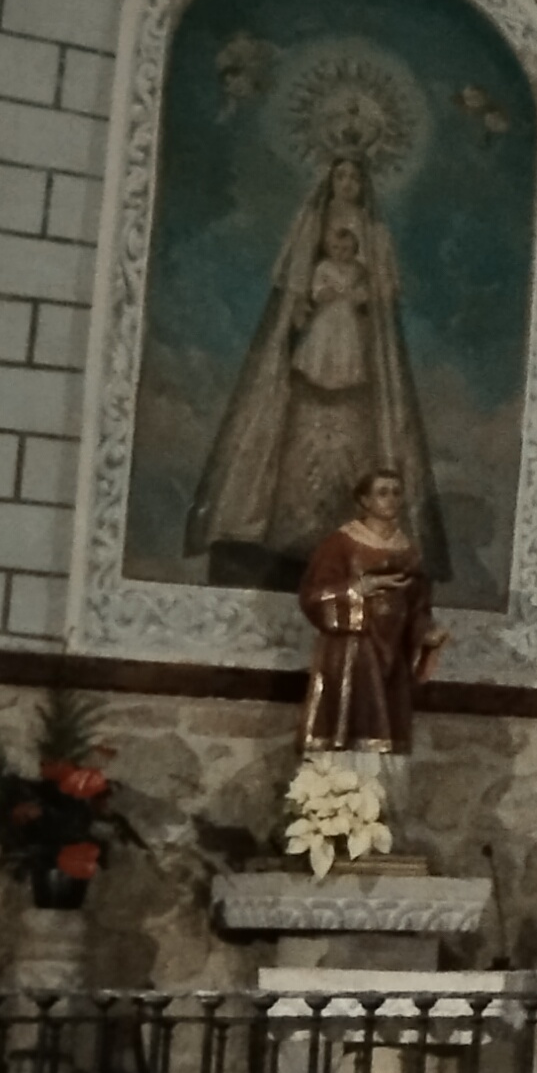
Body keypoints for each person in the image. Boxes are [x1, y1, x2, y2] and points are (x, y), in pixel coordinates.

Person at [184, 155, 448, 586]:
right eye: (340, 175)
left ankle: (356, 535)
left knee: (358, 436)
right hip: (319, 341)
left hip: (358, 351)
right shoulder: (316, 220)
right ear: (331, 180)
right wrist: (305, 309)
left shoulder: (374, 230)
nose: (347, 183)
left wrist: (363, 301)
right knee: (298, 429)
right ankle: (290, 533)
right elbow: (301, 282)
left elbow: (377, 295)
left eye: (355, 177)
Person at [298, 466, 446, 752]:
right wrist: (359, 588)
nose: (390, 499)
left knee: (387, 728)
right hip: (353, 647)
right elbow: (312, 595)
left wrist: (426, 633)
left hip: (393, 653)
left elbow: (417, 604)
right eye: (382, 493)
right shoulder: (340, 544)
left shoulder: (409, 551)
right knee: (351, 721)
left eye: (396, 492)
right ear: (365, 501)